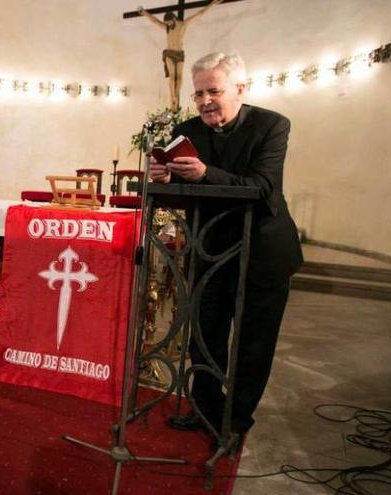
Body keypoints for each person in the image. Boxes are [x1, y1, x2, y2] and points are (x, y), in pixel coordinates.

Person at [149, 52, 303, 440]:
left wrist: (204, 174)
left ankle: (235, 422)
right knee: (205, 338)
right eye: (198, 93)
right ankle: (204, 409)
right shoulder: (187, 132)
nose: (204, 101)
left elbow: (263, 187)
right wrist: (164, 182)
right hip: (208, 249)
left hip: (263, 253)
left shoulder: (272, 126)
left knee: (252, 346)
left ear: (240, 89)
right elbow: (183, 198)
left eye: (213, 91)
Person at [137, 0, 221, 110]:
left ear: (174, 19)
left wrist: (211, 4)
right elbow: (155, 21)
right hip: (169, 53)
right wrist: (144, 13)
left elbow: (200, 14)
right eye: (166, 23)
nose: (167, 25)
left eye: (169, 22)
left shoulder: (183, 25)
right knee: (172, 76)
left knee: (179, 77)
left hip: (180, 54)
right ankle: (173, 98)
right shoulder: (167, 28)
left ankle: (177, 95)